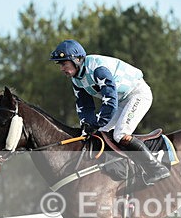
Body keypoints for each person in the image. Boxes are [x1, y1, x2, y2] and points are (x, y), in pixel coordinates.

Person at [49, 39, 170, 185]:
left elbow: (110, 100)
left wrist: (98, 122)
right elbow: (84, 106)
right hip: (121, 101)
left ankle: (156, 169)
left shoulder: (98, 69)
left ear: (77, 60)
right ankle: (119, 169)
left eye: (63, 63)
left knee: (120, 134)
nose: (61, 68)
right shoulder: (76, 79)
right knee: (100, 134)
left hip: (137, 94)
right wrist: (87, 124)